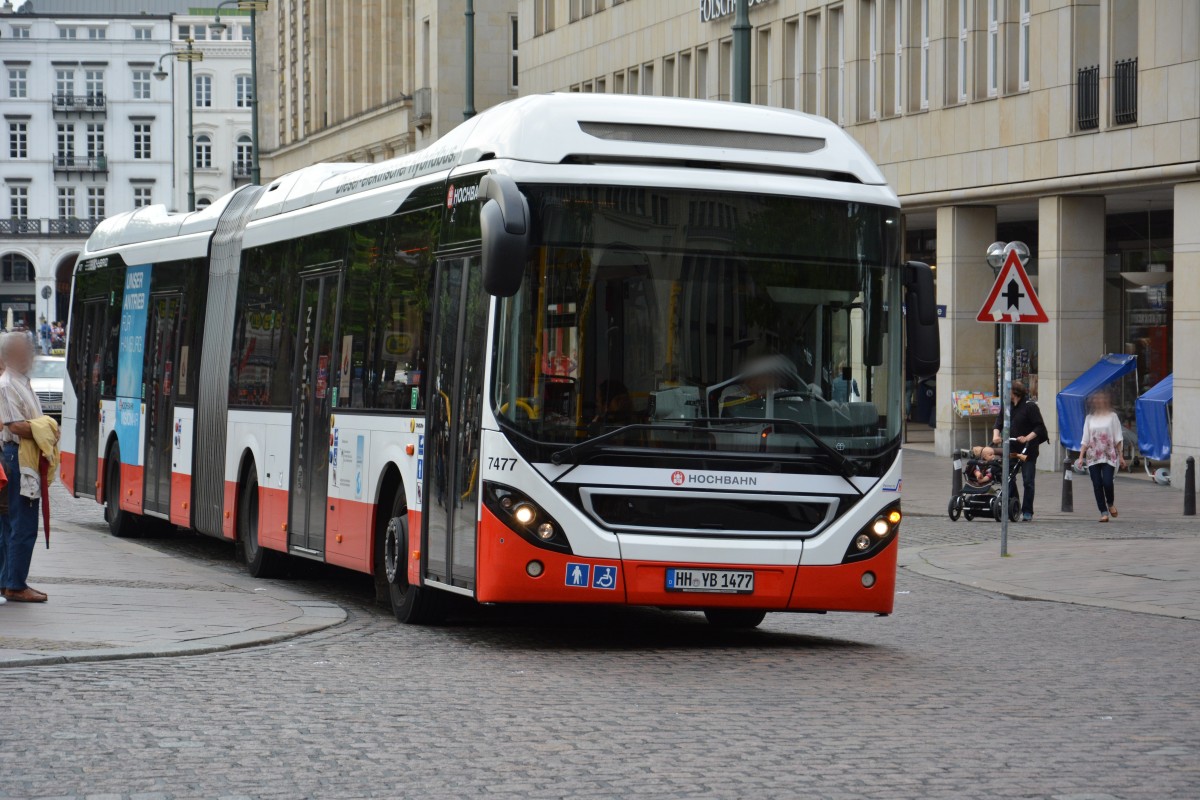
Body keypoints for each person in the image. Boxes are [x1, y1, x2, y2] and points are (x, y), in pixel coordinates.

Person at [0, 332, 50, 602]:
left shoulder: (22, 382)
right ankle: (16, 585)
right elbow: (15, 426)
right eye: (24, 351)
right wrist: (46, 428)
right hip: (17, 456)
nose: (29, 356)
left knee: (12, 522)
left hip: (20, 456)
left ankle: (10, 580)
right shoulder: (7, 384)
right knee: (23, 522)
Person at [993, 380, 1047, 522]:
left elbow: (1040, 427)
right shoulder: (1007, 406)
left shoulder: (1030, 407)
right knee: (1008, 478)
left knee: (1028, 481)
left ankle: (1028, 511)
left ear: (1014, 393)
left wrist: (1027, 438)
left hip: (1028, 450)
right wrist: (996, 436)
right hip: (1012, 448)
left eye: (1007, 391)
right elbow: (998, 422)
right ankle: (1015, 505)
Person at [1076, 390, 1126, 522]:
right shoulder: (1089, 419)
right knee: (1097, 484)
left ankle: (1110, 503)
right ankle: (1103, 511)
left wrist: (1121, 456)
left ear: (1106, 401)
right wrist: (1081, 457)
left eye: (1101, 399)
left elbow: (1118, 438)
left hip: (1109, 455)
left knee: (1107, 482)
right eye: (1096, 399)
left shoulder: (1112, 417)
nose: (1098, 401)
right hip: (1093, 456)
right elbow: (1085, 440)